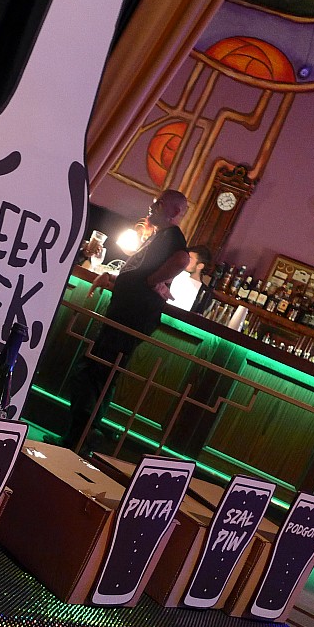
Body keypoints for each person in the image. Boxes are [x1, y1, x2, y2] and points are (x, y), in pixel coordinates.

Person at [59, 189, 191, 453]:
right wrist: (113, 278)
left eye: (159, 203)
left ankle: (81, 439)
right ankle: (81, 439)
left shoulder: (173, 237)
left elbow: (182, 259)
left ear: (175, 211)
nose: (153, 207)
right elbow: (138, 270)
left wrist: (153, 281)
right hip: (127, 312)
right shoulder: (160, 236)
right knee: (101, 375)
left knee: (92, 372)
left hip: (132, 315)